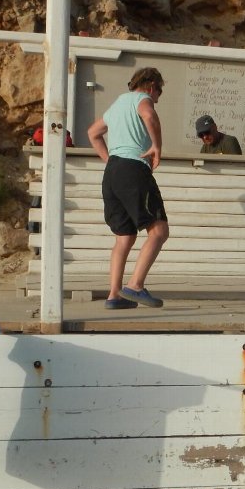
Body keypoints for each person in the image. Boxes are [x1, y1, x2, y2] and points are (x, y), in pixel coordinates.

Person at [87, 67, 170, 310]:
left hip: (112, 173)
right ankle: (135, 285)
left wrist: (110, 159)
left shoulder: (116, 105)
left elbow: (93, 133)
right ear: (152, 85)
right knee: (159, 231)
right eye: (159, 92)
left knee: (124, 237)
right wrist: (156, 146)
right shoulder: (142, 99)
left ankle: (115, 295)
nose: (158, 98)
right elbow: (149, 116)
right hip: (134, 170)